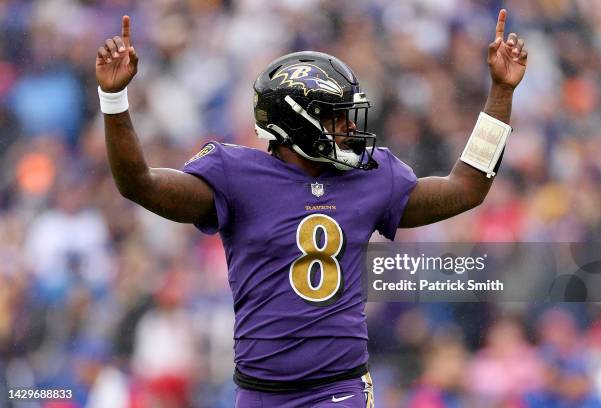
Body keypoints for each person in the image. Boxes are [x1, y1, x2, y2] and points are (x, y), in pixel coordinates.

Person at [95, 9, 527, 407]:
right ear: (297, 122)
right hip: (259, 392)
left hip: (338, 389)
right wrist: (114, 102)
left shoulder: (371, 177)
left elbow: (467, 188)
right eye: (337, 117)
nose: (349, 129)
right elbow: (139, 184)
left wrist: (501, 92)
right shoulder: (236, 175)